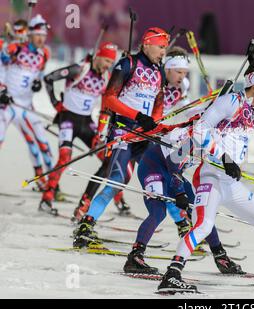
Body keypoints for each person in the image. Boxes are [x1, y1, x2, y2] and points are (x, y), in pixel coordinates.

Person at [157, 62, 254, 294]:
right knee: (203, 225)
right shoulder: (230, 102)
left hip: (231, 183)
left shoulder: (253, 106)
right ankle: (172, 274)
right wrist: (223, 157)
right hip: (210, 177)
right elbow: (200, 129)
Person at [122, 47, 243, 275]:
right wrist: (178, 193)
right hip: (154, 166)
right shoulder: (191, 134)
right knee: (158, 212)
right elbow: (174, 167)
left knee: (202, 211)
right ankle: (135, 257)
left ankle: (221, 257)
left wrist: (228, 165)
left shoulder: (212, 133)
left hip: (173, 169)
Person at [72, 27, 168, 248]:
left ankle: (184, 227)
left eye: (165, 48)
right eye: (161, 47)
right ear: (147, 44)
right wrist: (137, 116)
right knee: (116, 181)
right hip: (123, 132)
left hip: (143, 136)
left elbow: (159, 105)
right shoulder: (127, 64)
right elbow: (109, 99)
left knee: (163, 177)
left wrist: (153, 121)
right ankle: (86, 225)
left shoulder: (159, 71)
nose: (163, 52)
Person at [38, 42, 118, 214]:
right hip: (67, 119)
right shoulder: (79, 69)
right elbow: (49, 78)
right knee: (65, 158)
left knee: (108, 160)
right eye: (105, 61)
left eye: (111, 63)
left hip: (87, 123)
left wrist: (99, 132)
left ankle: (118, 201)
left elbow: (106, 107)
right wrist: (55, 104)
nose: (107, 66)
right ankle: (47, 198)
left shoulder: (106, 77)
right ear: (98, 56)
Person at [0, 17, 53, 190]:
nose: (41, 39)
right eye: (37, 35)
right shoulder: (15, 49)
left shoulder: (44, 53)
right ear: (30, 34)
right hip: (7, 104)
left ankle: (50, 184)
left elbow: (39, 73)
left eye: (43, 35)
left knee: (41, 144)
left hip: (26, 107)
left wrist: (38, 82)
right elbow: (3, 63)